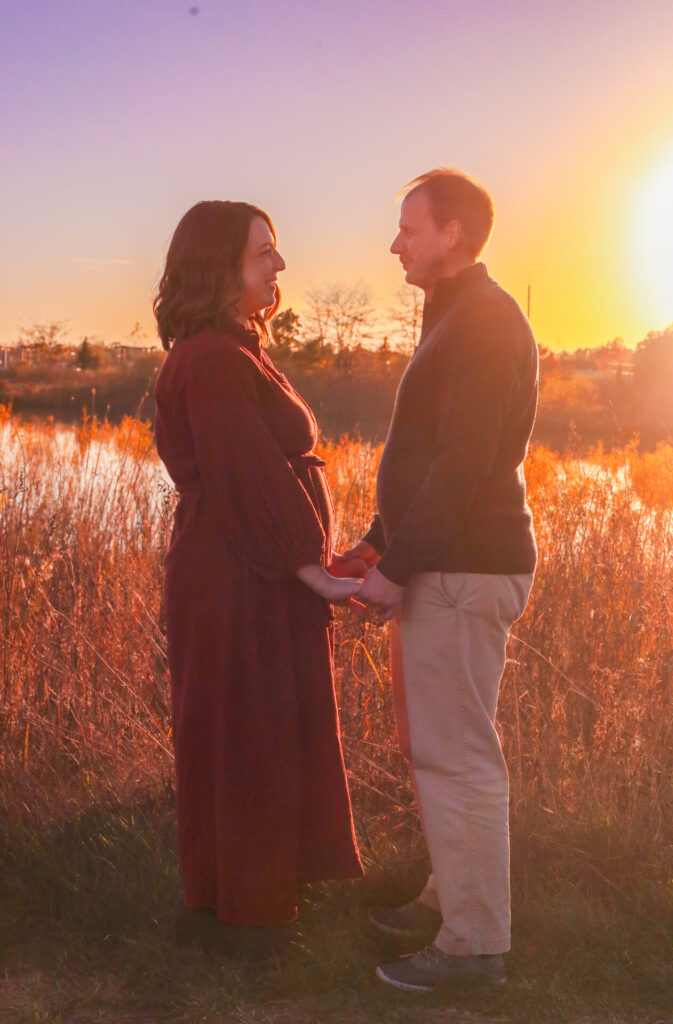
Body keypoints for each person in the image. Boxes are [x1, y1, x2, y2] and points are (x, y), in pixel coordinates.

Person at [342, 169, 538, 991]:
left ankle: (473, 949)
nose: (395, 244)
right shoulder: (457, 316)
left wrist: (398, 567)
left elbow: (466, 465)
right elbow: (430, 459)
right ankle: (444, 899)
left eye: (408, 228)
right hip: (449, 561)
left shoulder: (485, 322)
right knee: (445, 748)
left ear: (452, 233)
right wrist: (376, 545)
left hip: (463, 568)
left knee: (457, 758)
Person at [153, 200, 364, 958]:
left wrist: (312, 557)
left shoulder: (234, 347)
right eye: (262, 252)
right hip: (236, 569)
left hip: (245, 562)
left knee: (252, 726)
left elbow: (257, 467)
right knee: (245, 731)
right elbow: (244, 468)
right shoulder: (210, 356)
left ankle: (243, 902)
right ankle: (245, 923)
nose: (278, 265)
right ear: (220, 265)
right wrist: (309, 563)